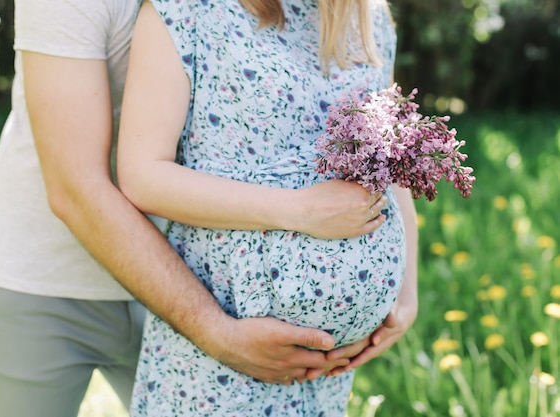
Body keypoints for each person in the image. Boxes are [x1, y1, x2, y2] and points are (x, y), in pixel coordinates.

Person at [0, 0, 409, 416]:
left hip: (194, 271)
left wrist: (396, 293)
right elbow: (77, 190)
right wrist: (218, 333)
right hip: (46, 283)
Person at [117, 0, 419, 415]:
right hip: (220, 347)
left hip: (327, 374)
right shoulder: (187, 9)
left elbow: (387, 161)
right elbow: (142, 174)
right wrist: (297, 210)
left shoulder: (367, 17)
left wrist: (406, 291)